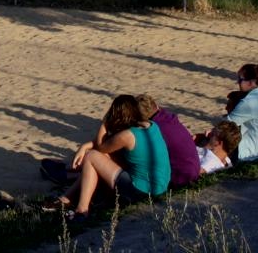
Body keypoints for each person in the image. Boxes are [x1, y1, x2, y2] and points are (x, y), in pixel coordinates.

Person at [42, 95, 171, 224]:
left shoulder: (127, 136)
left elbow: (100, 147)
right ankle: (67, 198)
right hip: (160, 187)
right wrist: (85, 146)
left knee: (91, 156)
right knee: (103, 158)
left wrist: (105, 121)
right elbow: (109, 145)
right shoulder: (151, 125)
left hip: (141, 191)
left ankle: (81, 210)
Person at [135, 94, 201, 188]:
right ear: (157, 106)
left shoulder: (155, 130)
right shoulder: (169, 118)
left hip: (179, 179)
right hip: (192, 172)